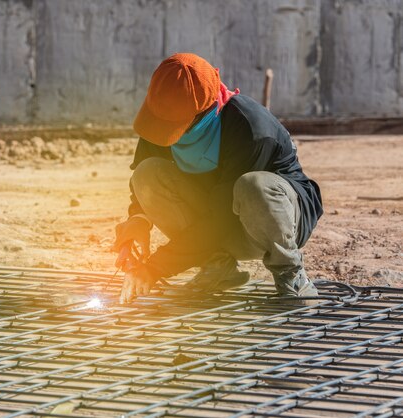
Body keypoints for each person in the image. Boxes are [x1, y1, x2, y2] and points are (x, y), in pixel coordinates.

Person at [113, 53, 323, 305]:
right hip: (215, 215)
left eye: (171, 124)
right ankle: (217, 268)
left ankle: (291, 275)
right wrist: (137, 220)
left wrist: (155, 268)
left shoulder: (249, 128)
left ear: (199, 113)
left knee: (254, 186)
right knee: (146, 175)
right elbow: (144, 186)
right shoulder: (161, 118)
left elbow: (219, 220)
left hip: (269, 221)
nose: (162, 128)